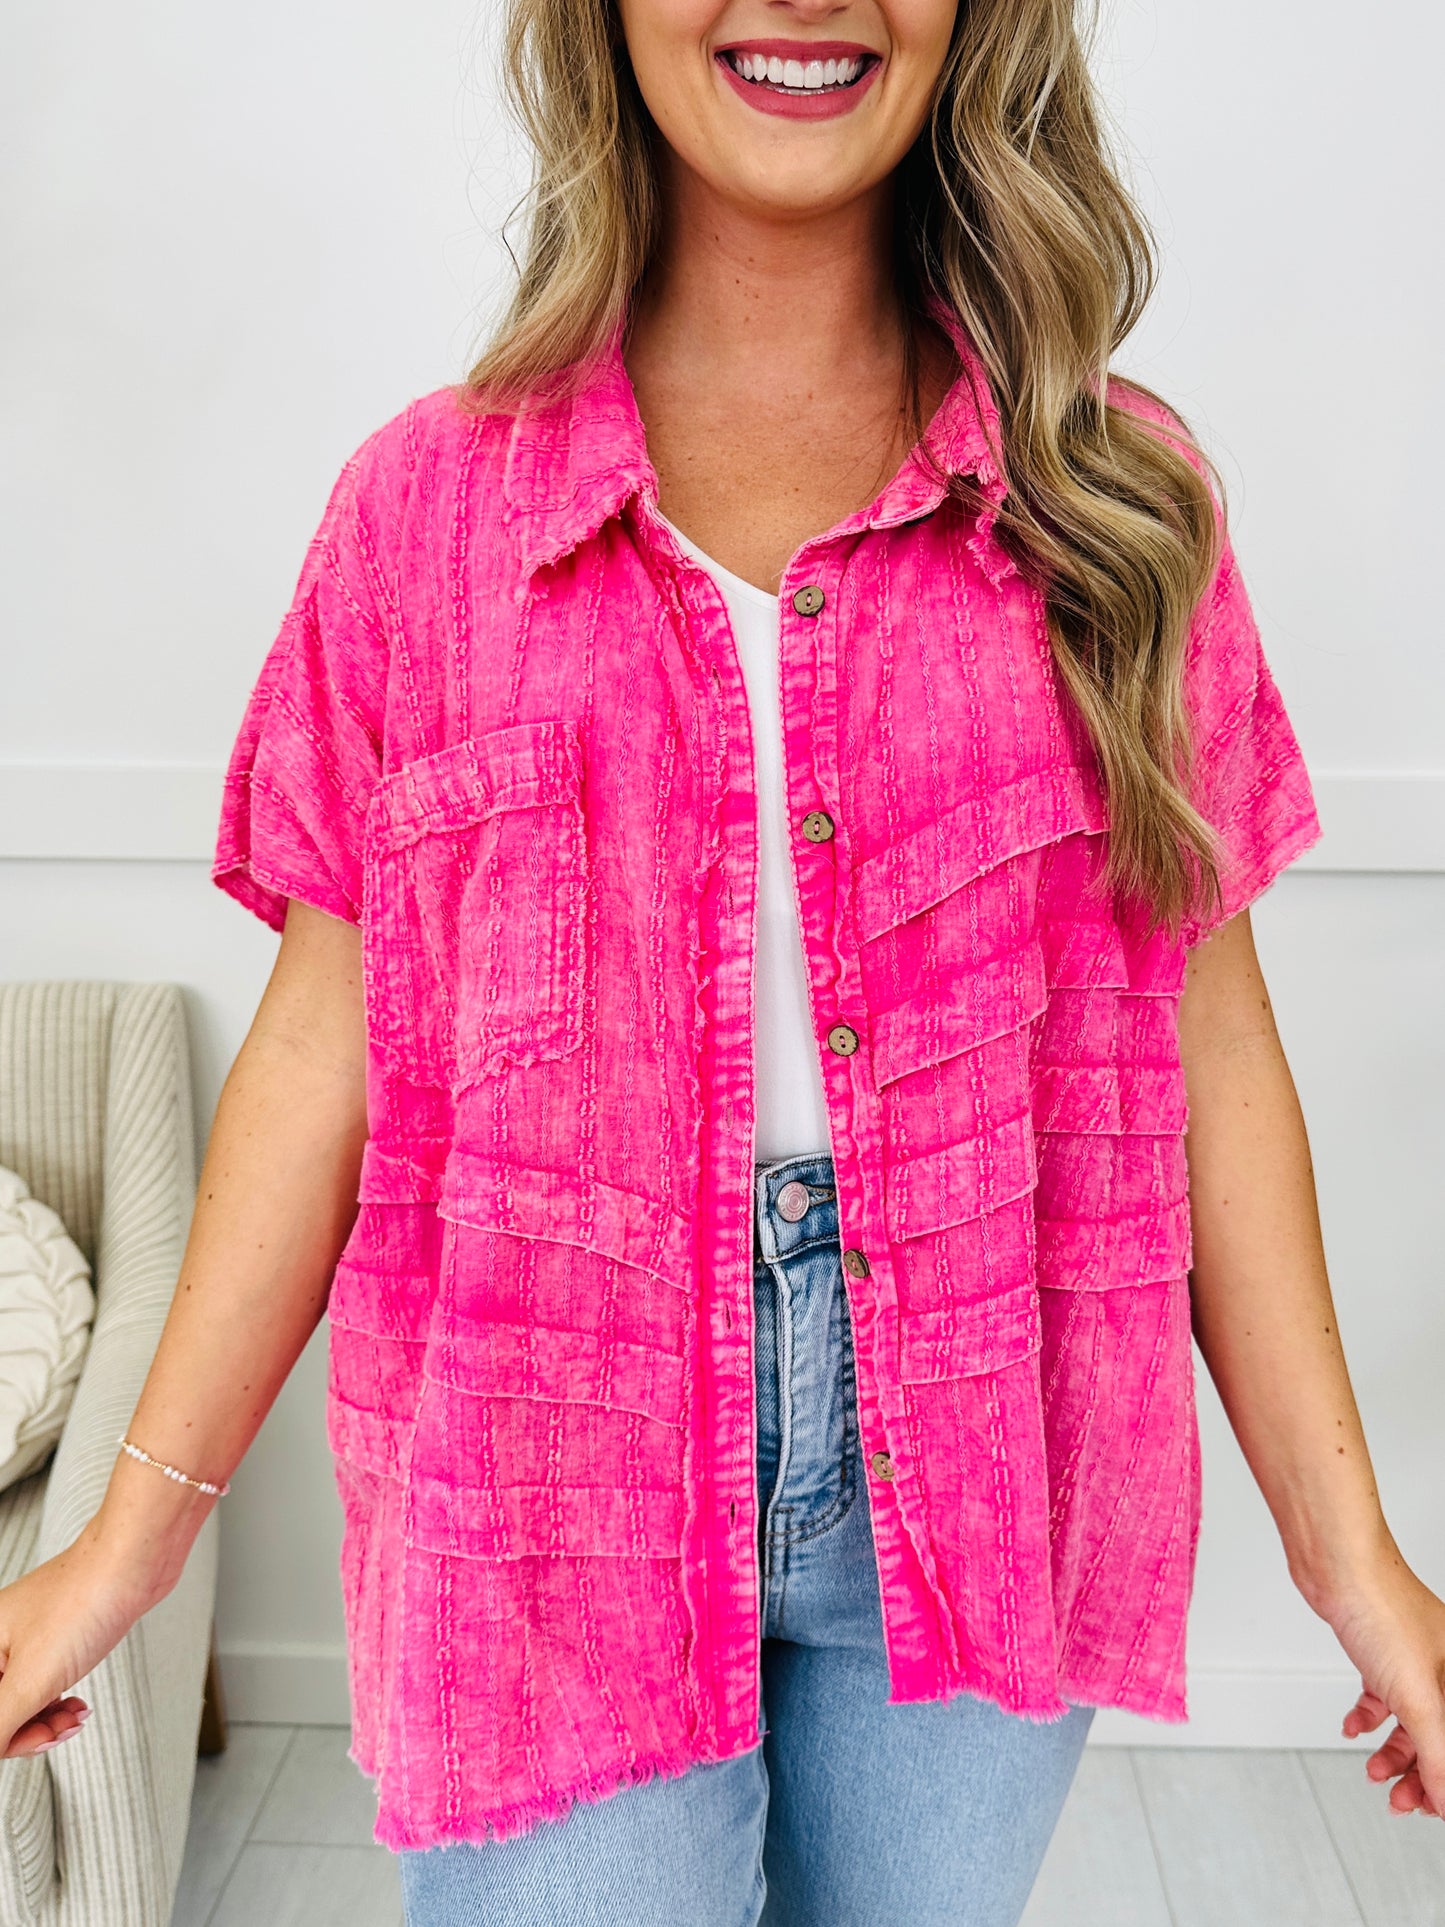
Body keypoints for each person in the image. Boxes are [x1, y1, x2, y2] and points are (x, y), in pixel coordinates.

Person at [3, 0, 1443, 1921]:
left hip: (987, 1432)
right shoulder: (422, 517)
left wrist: (1357, 1566)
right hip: (541, 1456)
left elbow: (1211, 1053)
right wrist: (123, 1547)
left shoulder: (1112, 500)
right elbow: (320, 1053)